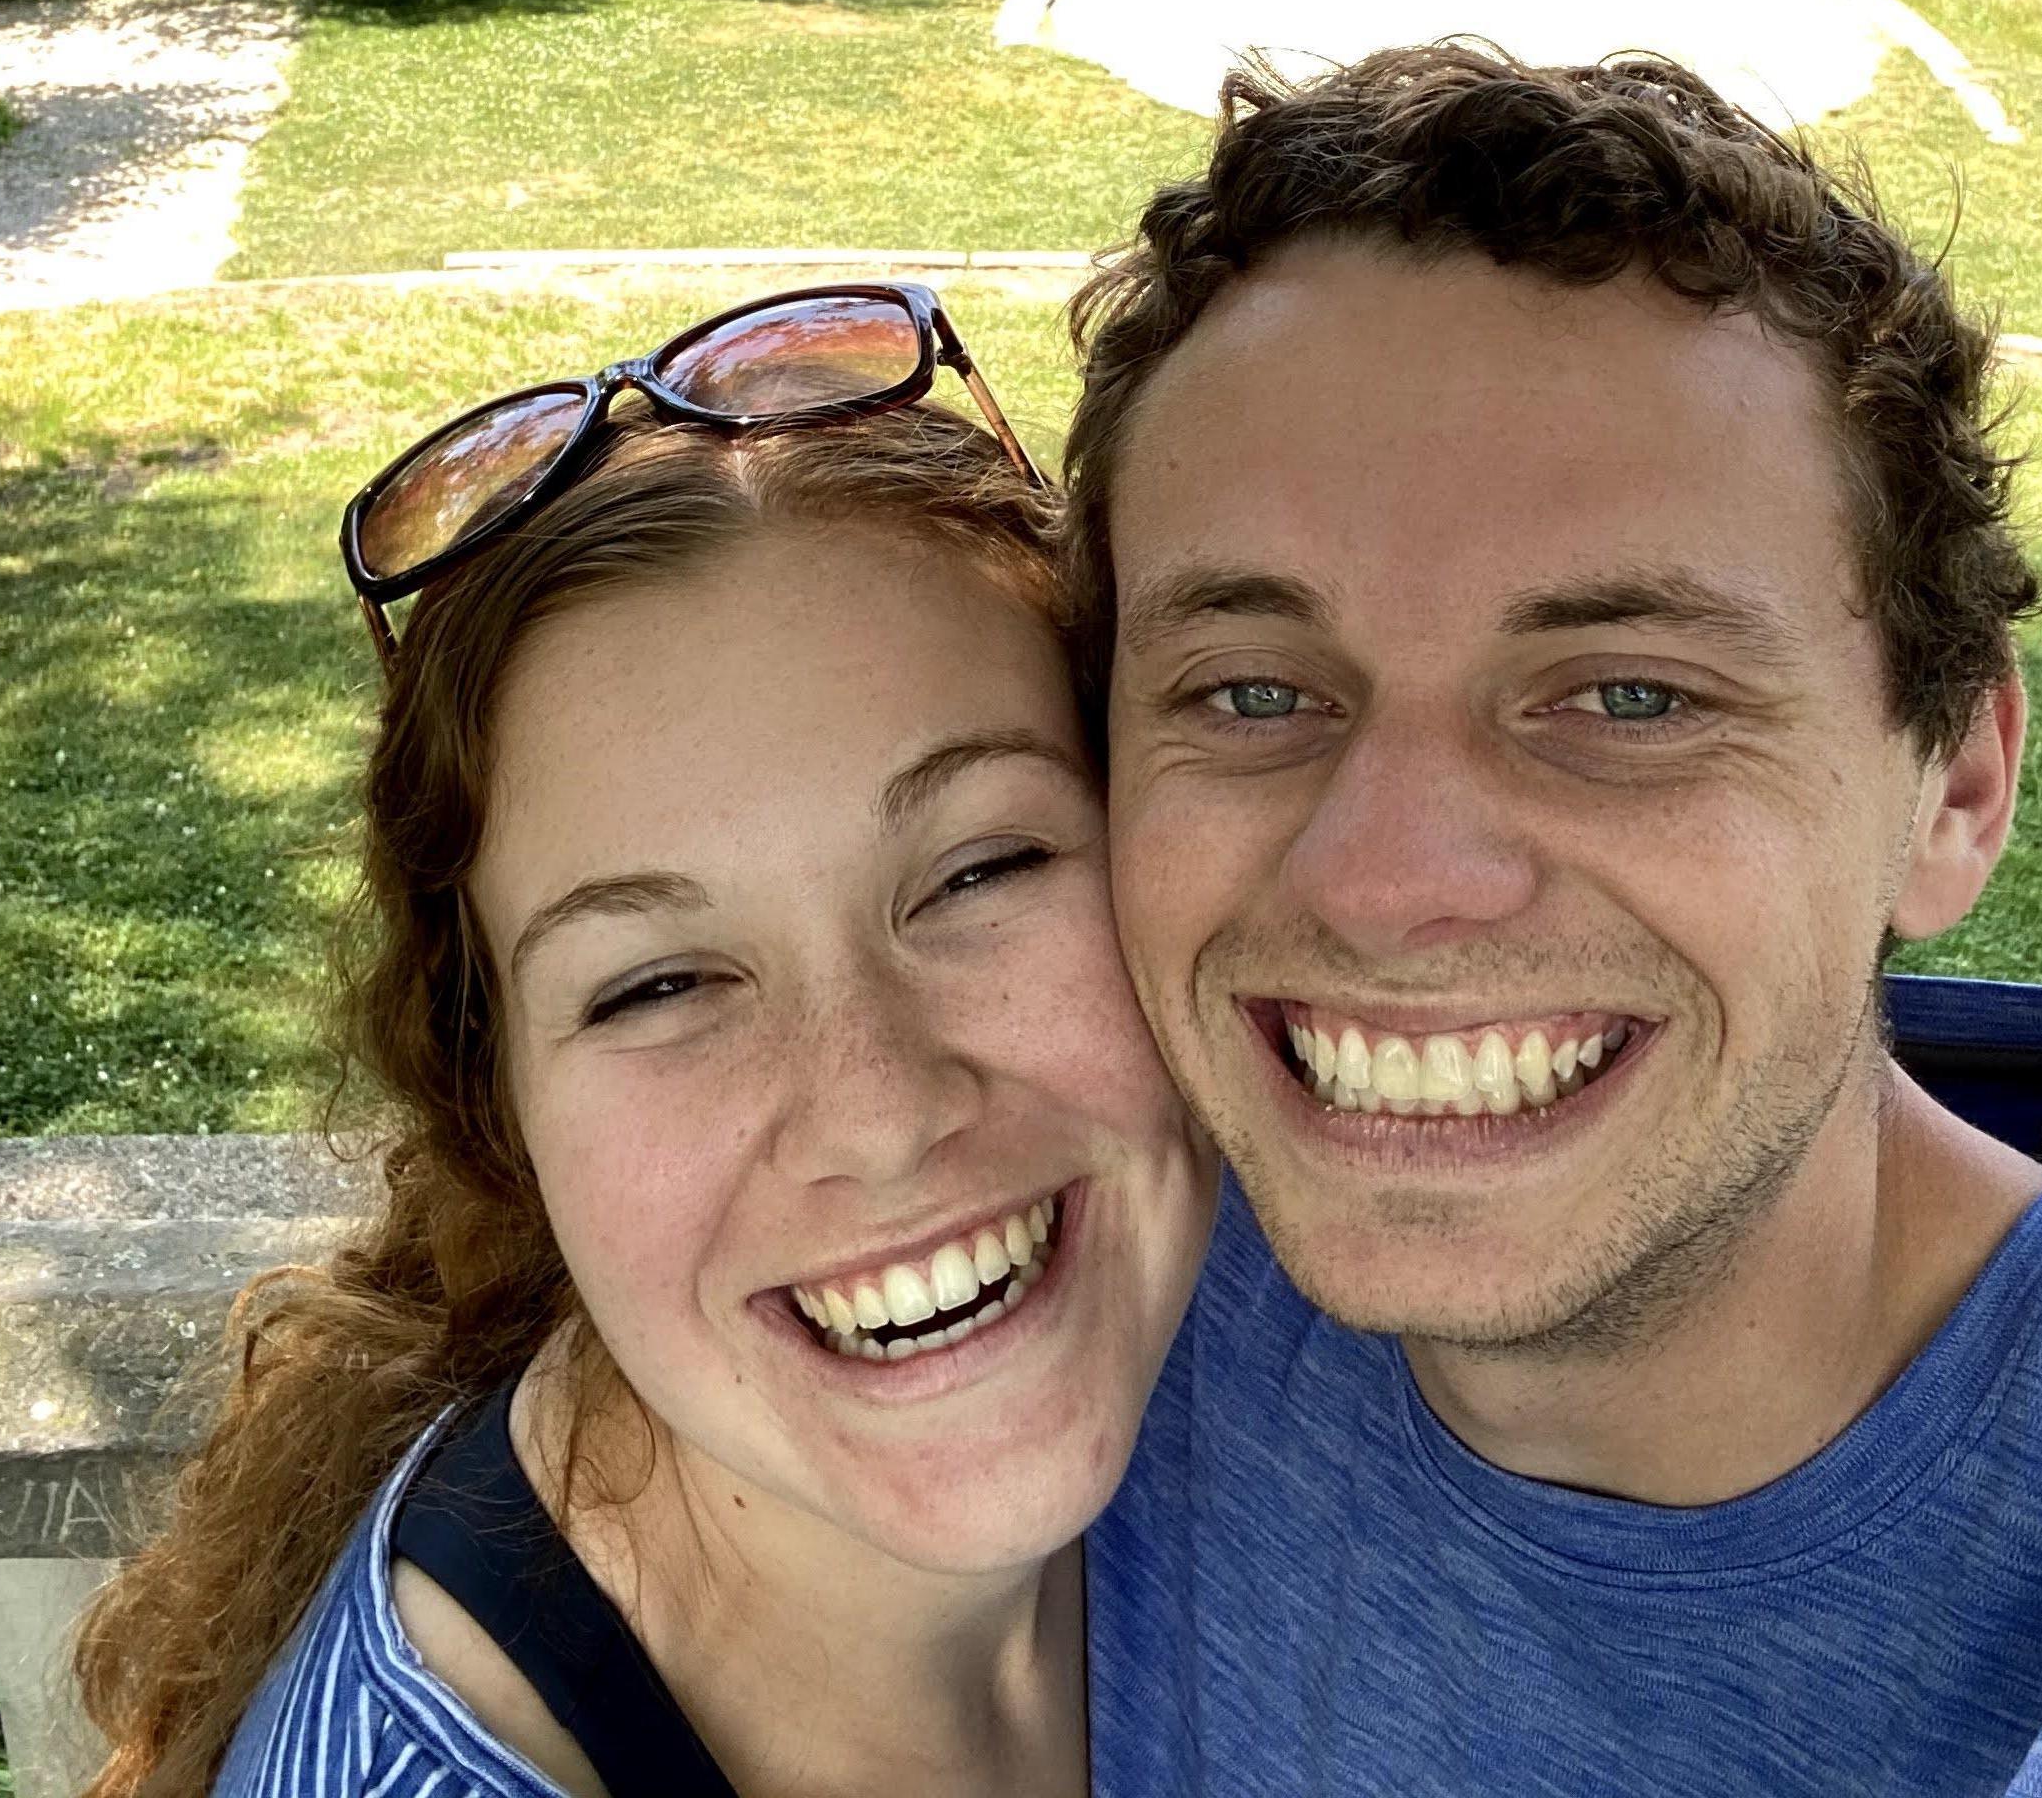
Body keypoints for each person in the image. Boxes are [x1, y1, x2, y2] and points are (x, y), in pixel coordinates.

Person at [1063, 45, 2042, 1796]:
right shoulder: (1088, 1258)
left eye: (1627, 700)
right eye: (1248, 693)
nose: (1382, 884)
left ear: (1957, 786)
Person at [74, 286, 1218, 1798]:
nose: (877, 1112)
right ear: (501, 1109)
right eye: (659, 987)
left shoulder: (1288, 1297)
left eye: (980, 872)